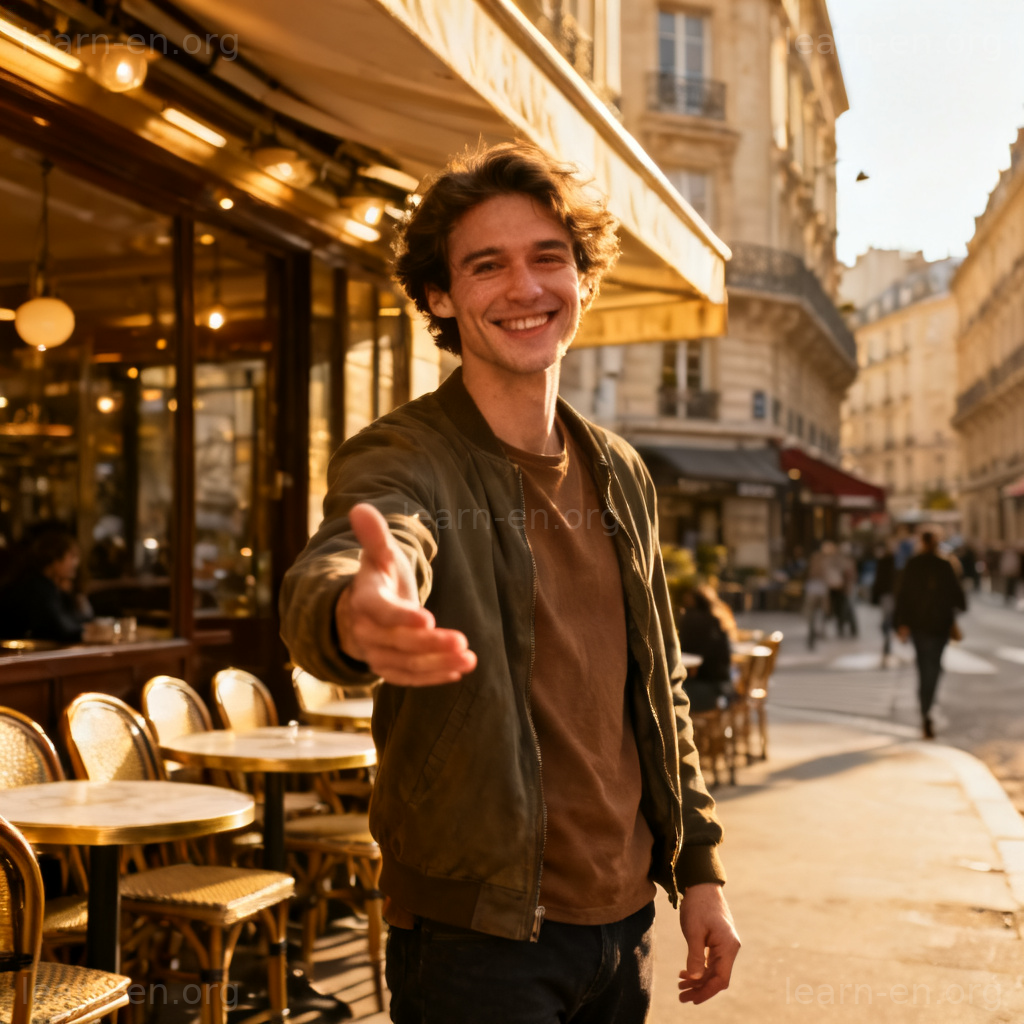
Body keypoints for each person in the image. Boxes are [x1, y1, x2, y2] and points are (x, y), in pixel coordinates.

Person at [280, 143, 739, 1022]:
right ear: (440, 298)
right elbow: (364, 541)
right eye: (486, 266)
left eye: (548, 257)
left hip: (625, 921)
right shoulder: (407, 453)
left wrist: (700, 872)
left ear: (582, 279)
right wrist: (353, 609)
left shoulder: (621, 471)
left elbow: (657, 692)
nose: (524, 288)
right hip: (476, 940)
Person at [893, 531, 967, 739]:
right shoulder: (945, 565)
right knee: (934, 666)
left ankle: (925, 709)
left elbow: (903, 595)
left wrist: (901, 624)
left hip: (919, 626)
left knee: (924, 666)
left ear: (922, 543)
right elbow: (959, 599)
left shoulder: (913, 564)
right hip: (939, 625)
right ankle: (928, 706)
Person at [0, 528, 93, 643]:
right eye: (71, 556)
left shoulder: (39, 584)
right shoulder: (38, 588)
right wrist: (94, 632)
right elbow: (61, 628)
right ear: (54, 560)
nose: (76, 562)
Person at [677, 587, 735, 713]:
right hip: (723, 688)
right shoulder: (717, 620)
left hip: (703, 692)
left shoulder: (690, 619)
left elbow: (683, 650)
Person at [870, 541, 897, 666]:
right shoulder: (897, 563)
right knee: (889, 618)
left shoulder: (885, 562)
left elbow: (878, 580)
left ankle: (888, 636)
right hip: (891, 594)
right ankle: (888, 637)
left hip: (887, 594)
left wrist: (874, 597)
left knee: (887, 617)